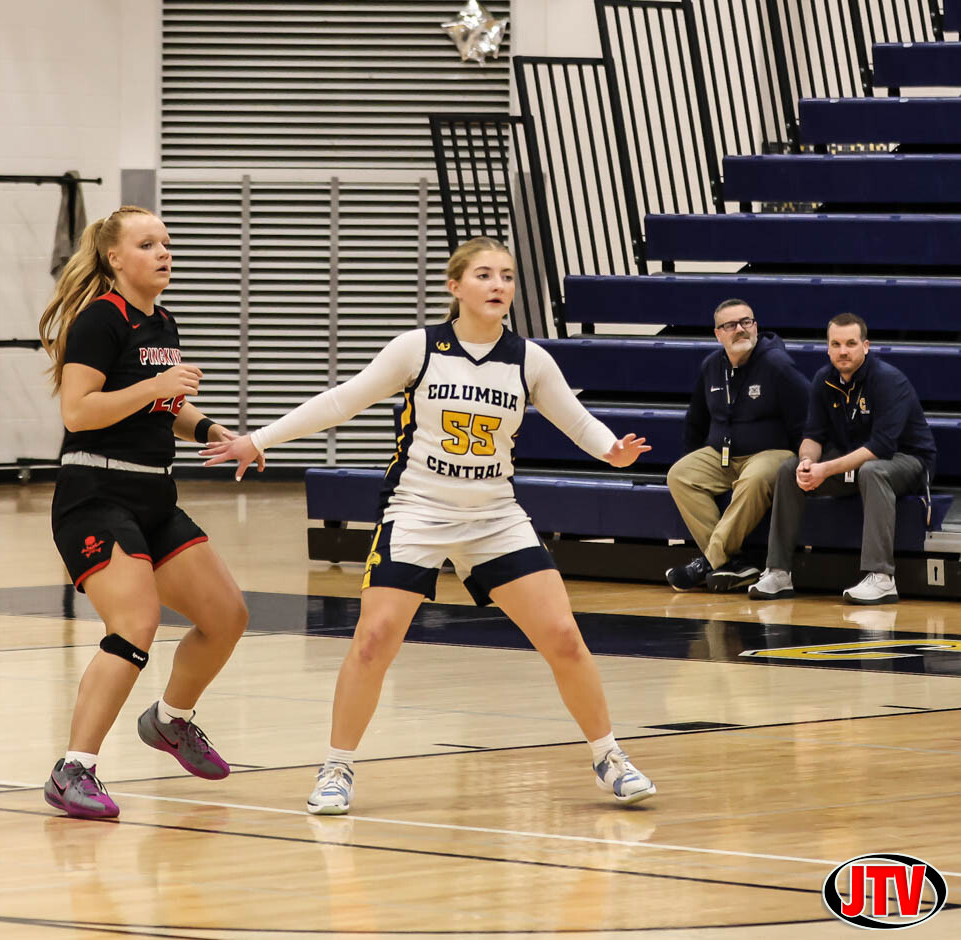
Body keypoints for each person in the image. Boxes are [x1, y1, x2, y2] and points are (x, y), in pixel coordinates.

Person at [202, 236, 658, 815]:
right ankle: (336, 767)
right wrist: (259, 439)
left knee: (565, 638)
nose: (498, 285)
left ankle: (609, 757)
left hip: (494, 516)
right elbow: (341, 401)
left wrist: (612, 450)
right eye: (485, 275)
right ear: (455, 286)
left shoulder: (529, 359)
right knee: (373, 640)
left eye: (507, 276)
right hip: (418, 511)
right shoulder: (417, 348)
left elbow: (579, 422)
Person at [36, 206, 254, 819]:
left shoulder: (161, 321)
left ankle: (170, 720)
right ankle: (73, 769)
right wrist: (157, 388)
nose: (163, 253)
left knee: (227, 616)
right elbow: (79, 411)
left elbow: (163, 406)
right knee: (135, 623)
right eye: (147, 244)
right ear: (115, 258)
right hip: (95, 495)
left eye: (166, 243)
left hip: (155, 496)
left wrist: (211, 429)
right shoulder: (99, 320)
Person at [749, 313, 936, 605]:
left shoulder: (888, 380)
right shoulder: (824, 380)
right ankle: (778, 572)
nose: (843, 351)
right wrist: (808, 463)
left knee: (872, 471)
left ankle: (882, 577)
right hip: (854, 461)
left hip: (907, 461)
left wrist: (826, 469)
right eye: (836, 344)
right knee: (789, 470)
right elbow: (813, 435)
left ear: (866, 346)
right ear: (828, 348)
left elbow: (881, 447)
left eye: (850, 343)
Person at [665, 299, 809, 592]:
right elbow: (696, 421)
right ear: (718, 334)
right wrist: (693, 455)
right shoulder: (711, 366)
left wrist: (806, 462)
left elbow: (807, 416)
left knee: (754, 477)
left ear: (755, 326)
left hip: (772, 453)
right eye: (730, 325)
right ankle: (732, 565)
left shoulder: (777, 365)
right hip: (723, 455)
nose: (740, 329)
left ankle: (708, 561)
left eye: (746, 322)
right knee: (680, 474)